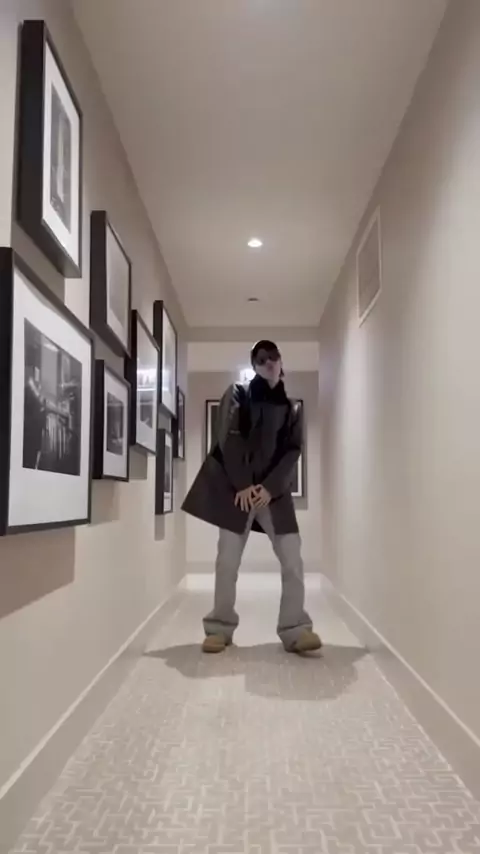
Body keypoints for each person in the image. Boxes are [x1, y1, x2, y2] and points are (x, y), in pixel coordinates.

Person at [182, 340, 322, 655]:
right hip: (239, 493)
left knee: (293, 559)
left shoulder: (291, 408)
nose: (268, 362)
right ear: (254, 366)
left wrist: (269, 488)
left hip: (275, 495)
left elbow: (293, 451)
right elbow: (228, 438)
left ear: (280, 361)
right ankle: (219, 628)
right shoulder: (238, 394)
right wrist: (244, 484)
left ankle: (295, 629)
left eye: (273, 357)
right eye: (261, 359)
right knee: (227, 561)